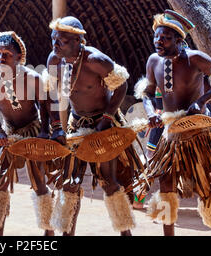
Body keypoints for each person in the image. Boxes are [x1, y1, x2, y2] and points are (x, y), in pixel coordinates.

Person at [136, 9, 211, 236]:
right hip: (170, 132)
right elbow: (147, 93)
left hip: (197, 131)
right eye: (156, 37)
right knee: (166, 185)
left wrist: (202, 101)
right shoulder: (154, 61)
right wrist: (151, 111)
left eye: (165, 38)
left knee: (206, 183)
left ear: (179, 41)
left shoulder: (196, 58)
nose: (158, 41)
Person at [45, 16, 144, 236]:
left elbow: (121, 86)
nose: (55, 44)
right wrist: (56, 126)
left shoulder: (96, 60)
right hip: (76, 123)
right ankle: (67, 233)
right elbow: (50, 92)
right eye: (53, 39)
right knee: (70, 183)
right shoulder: (54, 60)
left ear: (78, 40)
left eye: (61, 40)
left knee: (109, 182)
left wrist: (107, 118)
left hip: (103, 123)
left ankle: (125, 232)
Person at [0, 31, 65, 236]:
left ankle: (48, 230)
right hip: (8, 132)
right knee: (0, 181)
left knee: (38, 180)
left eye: (7, 54)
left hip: (32, 129)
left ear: (19, 57)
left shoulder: (32, 78)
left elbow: (44, 105)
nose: (1, 57)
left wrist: (45, 130)